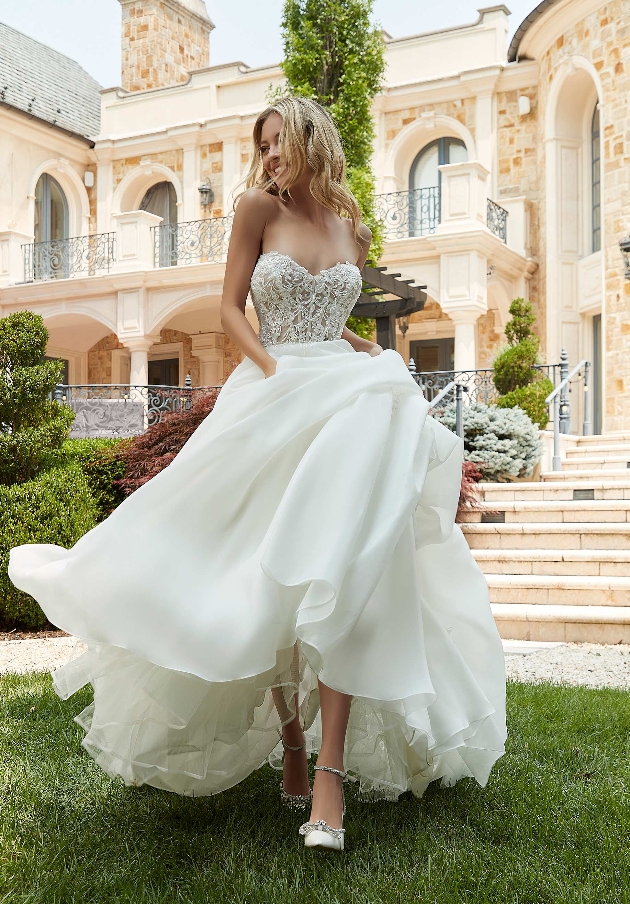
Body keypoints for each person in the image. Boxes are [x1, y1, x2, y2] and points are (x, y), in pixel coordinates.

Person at [9, 96, 506, 853]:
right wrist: (275, 372)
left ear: (311, 140)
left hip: (347, 394)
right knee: (255, 569)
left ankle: (330, 776)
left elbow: (329, 306)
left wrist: (365, 351)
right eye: (263, 144)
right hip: (272, 392)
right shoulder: (252, 209)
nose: (269, 155)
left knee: (353, 560)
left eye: (279, 142)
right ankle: (291, 736)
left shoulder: (353, 223)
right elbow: (232, 310)